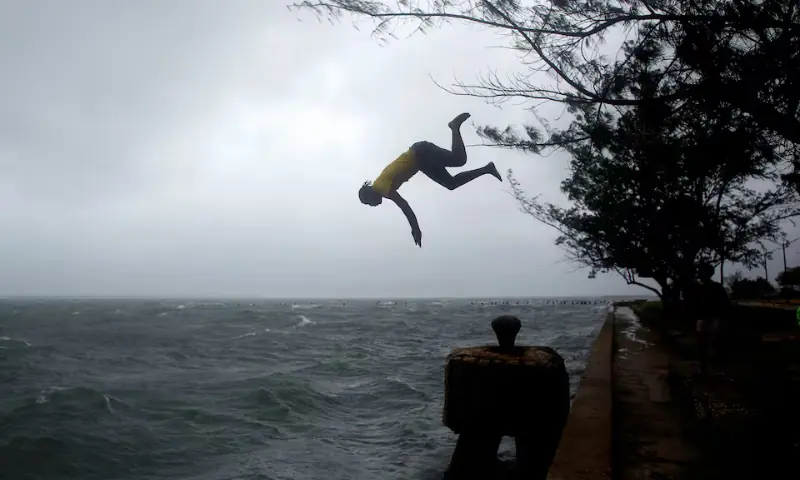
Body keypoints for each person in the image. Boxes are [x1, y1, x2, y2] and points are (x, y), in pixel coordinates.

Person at [358, 112, 502, 247]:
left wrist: (415, 229)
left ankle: (454, 127)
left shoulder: (380, 187)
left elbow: (404, 205)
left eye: (369, 203)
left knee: (459, 160)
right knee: (451, 183)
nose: (373, 205)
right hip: (420, 158)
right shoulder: (381, 185)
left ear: (370, 195)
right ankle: (487, 169)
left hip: (420, 154)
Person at [685, 262, 731, 375]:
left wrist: (723, 319)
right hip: (702, 319)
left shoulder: (716, 287)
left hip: (713, 319)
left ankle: (714, 368)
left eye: (702, 271)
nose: (699, 273)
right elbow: (691, 304)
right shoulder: (696, 287)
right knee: (702, 343)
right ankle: (704, 367)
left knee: (713, 343)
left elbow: (725, 304)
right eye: (699, 271)